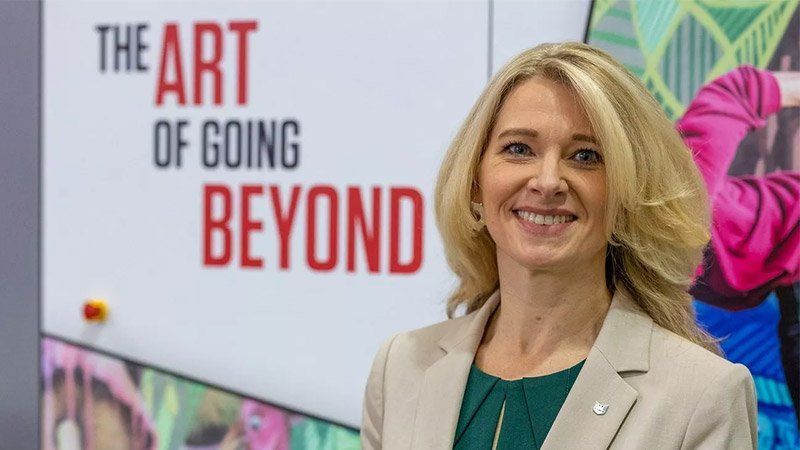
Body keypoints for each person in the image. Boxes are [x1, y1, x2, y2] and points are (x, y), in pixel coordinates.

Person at [361, 42, 758, 449]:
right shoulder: (401, 368)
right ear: (475, 181)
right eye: (519, 149)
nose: (547, 181)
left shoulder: (703, 396)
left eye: (586, 156)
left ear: (627, 194)